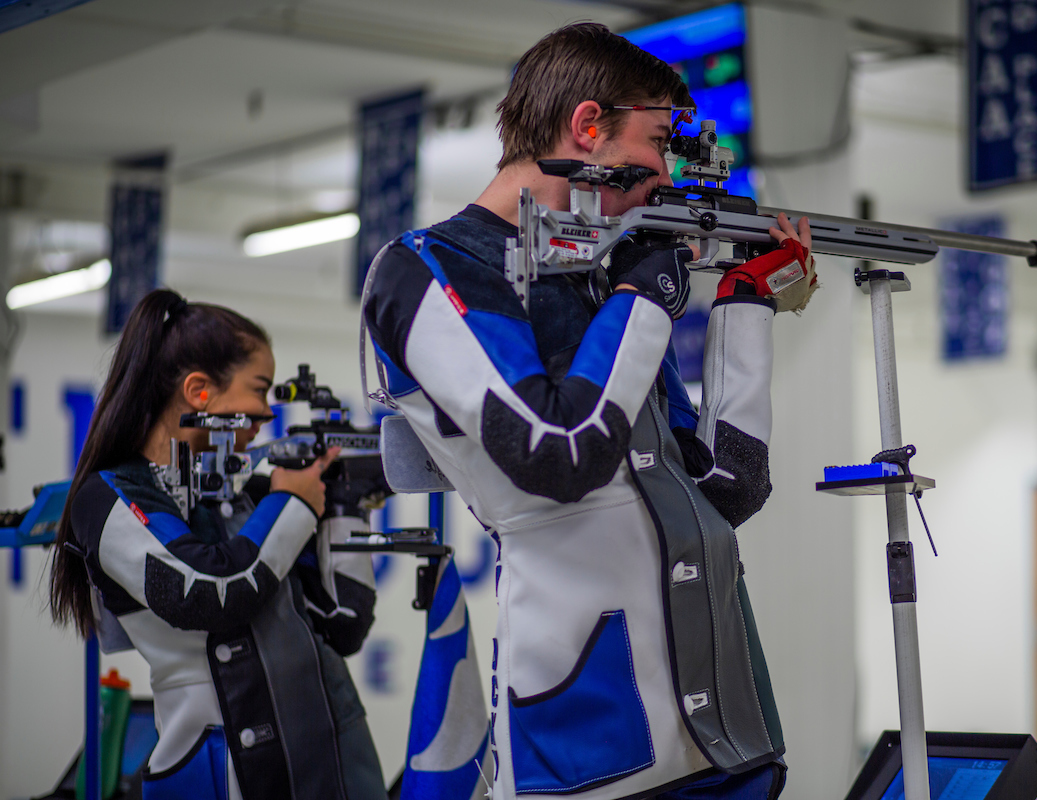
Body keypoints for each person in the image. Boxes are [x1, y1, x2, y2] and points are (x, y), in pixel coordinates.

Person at [363, 22, 817, 800]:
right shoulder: (427, 270)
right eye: (655, 144)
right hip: (592, 738)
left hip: (724, 729)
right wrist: (645, 295)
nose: (663, 174)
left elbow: (726, 487)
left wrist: (746, 305)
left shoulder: (600, 283)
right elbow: (556, 452)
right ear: (587, 125)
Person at [49, 289, 388, 800]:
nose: (267, 413)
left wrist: (344, 506)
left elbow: (342, 625)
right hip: (217, 771)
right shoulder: (107, 496)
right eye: (259, 390)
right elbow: (209, 590)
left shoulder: (247, 495)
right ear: (199, 391)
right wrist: (294, 503)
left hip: (323, 767)